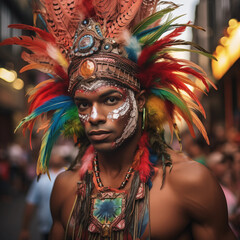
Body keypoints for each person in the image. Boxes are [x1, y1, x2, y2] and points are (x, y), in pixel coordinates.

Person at [0, 0, 236, 239]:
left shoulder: (190, 182)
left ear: (140, 101)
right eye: (84, 104)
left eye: (111, 100)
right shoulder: (65, 188)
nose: (94, 117)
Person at [18, 147, 66, 240]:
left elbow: (30, 204)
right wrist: (24, 229)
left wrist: (24, 229)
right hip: (51, 228)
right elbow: (30, 204)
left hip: (64, 228)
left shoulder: (70, 176)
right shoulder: (41, 179)